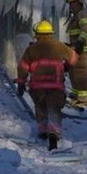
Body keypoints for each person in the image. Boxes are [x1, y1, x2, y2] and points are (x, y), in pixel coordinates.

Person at [16, 20, 77, 151]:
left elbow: (23, 68)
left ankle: (43, 131)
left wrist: (21, 84)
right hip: (55, 85)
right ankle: (53, 134)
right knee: (54, 109)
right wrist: (66, 67)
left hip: (38, 87)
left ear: (37, 34)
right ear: (51, 34)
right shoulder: (60, 46)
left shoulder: (31, 49)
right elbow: (73, 58)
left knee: (41, 108)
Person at [65, 0, 87, 109]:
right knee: (72, 72)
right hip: (75, 48)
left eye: (72, 4)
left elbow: (86, 29)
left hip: (82, 49)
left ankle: (84, 99)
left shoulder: (82, 14)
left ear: (78, 3)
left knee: (80, 72)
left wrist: (80, 42)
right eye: (69, 4)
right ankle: (76, 95)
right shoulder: (76, 16)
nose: (70, 6)